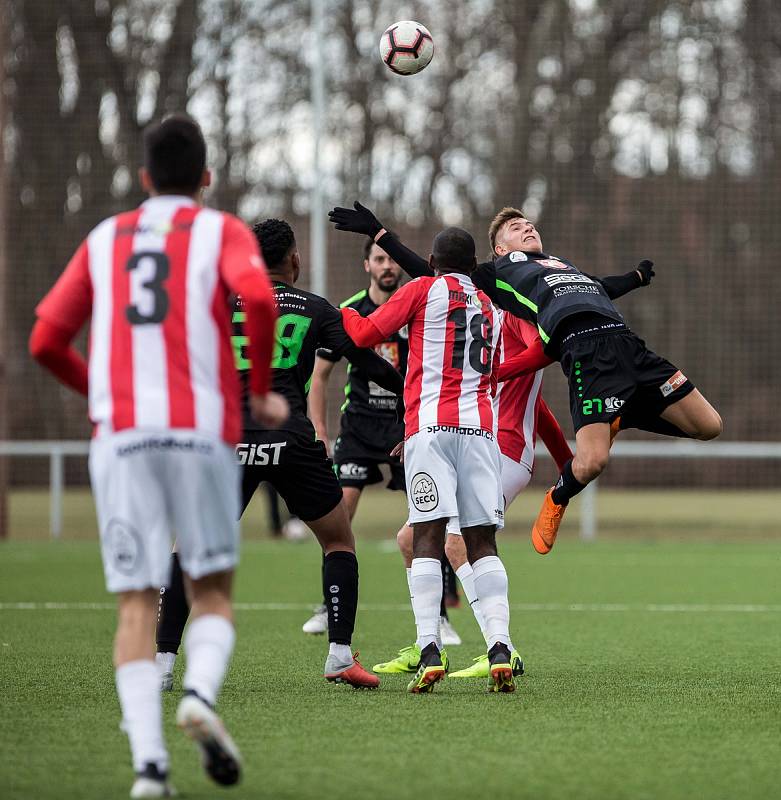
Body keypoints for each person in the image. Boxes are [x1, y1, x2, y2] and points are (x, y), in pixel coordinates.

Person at [29, 114, 287, 798]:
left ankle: (149, 769)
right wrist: (258, 392)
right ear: (205, 178)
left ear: (143, 178)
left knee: (136, 606)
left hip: (121, 438)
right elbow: (259, 296)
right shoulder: (220, 230)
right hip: (200, 435)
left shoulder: (105, 237)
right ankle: (199, 693)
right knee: (212, 593)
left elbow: (45, 341)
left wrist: (102, 396)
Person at [329, 202, 722, 555]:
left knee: (709, 426)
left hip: (629, 346)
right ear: (499, 249)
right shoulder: (499, 275)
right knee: (588, 464)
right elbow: (435, 272)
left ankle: (623, 414)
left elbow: (599, 288)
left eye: (529, 223)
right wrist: (380, 234)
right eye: (516, 227)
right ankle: (555, 502)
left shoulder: (562, 266)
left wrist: (634, 277)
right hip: (584, 358)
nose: (527, 227)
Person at [155, 218, 406, 692]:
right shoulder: (316, 307)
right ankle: (337, 655)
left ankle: (163, 665)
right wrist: (410, 395)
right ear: (294, 259)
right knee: (338, 542)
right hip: (290, 439)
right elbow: (367, 359)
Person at [341, 226, 517, 693]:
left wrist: (336, 312)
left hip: (432, 430)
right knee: (482, 543)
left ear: (433, 261)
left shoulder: (422, 288)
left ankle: (429, 648)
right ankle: (500, 646)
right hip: (480, 432)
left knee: (427, 537)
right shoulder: (491, 305)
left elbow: (365, 332)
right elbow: (496, 369)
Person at [305, 237, 461, 647]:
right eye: (379, 259)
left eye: (392, 259)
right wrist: (320, 430)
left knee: (428, 515)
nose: (388, 265)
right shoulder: (352, 308)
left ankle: (442, 615)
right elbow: (319, 377)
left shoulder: (419, 302)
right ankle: (327, 605)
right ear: (367, 265)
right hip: (358, 427)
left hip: (405, 424)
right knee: (340, 515)